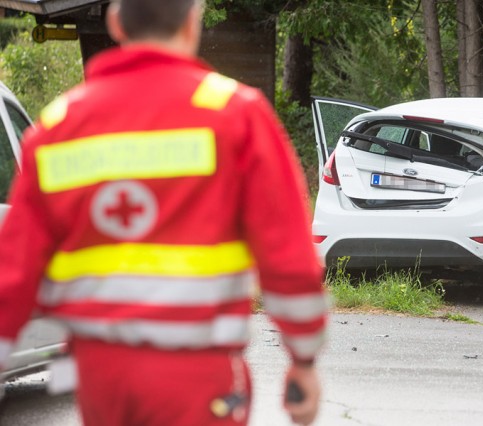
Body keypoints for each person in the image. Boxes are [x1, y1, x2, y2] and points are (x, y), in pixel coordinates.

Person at [0, 0, 328, 425]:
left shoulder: (58, 127)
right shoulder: (235, 115)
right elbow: (288, 258)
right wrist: (303, 360)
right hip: (199, 376)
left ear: (115, 23)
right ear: (194, 19)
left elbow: (13, 274)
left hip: (101, 380)